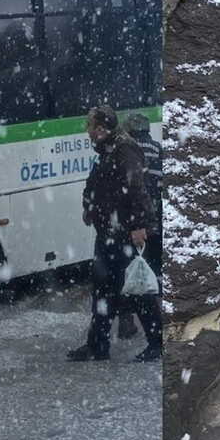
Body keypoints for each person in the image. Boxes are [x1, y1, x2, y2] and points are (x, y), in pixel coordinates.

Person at [67, 106, 160, 362]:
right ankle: (97, 345)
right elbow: (96, 182)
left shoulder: (124, 148)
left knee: (136, 288)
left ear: (100, 127)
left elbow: (136, 186)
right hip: (108, 232)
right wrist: (89, 207)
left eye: (90, 126)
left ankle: (156, 342)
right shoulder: (107, 149)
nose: (88, 131)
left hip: (125, 233)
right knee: (102, 290)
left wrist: (139, 225)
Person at [116, 113, 162, 344]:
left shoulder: (129, 151)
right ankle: (158, 316)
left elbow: (132, 189)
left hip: (136, 223)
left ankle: (127, 319)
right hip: (156, 220)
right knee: (151, 269)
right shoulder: (157, 149)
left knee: (131, 270)